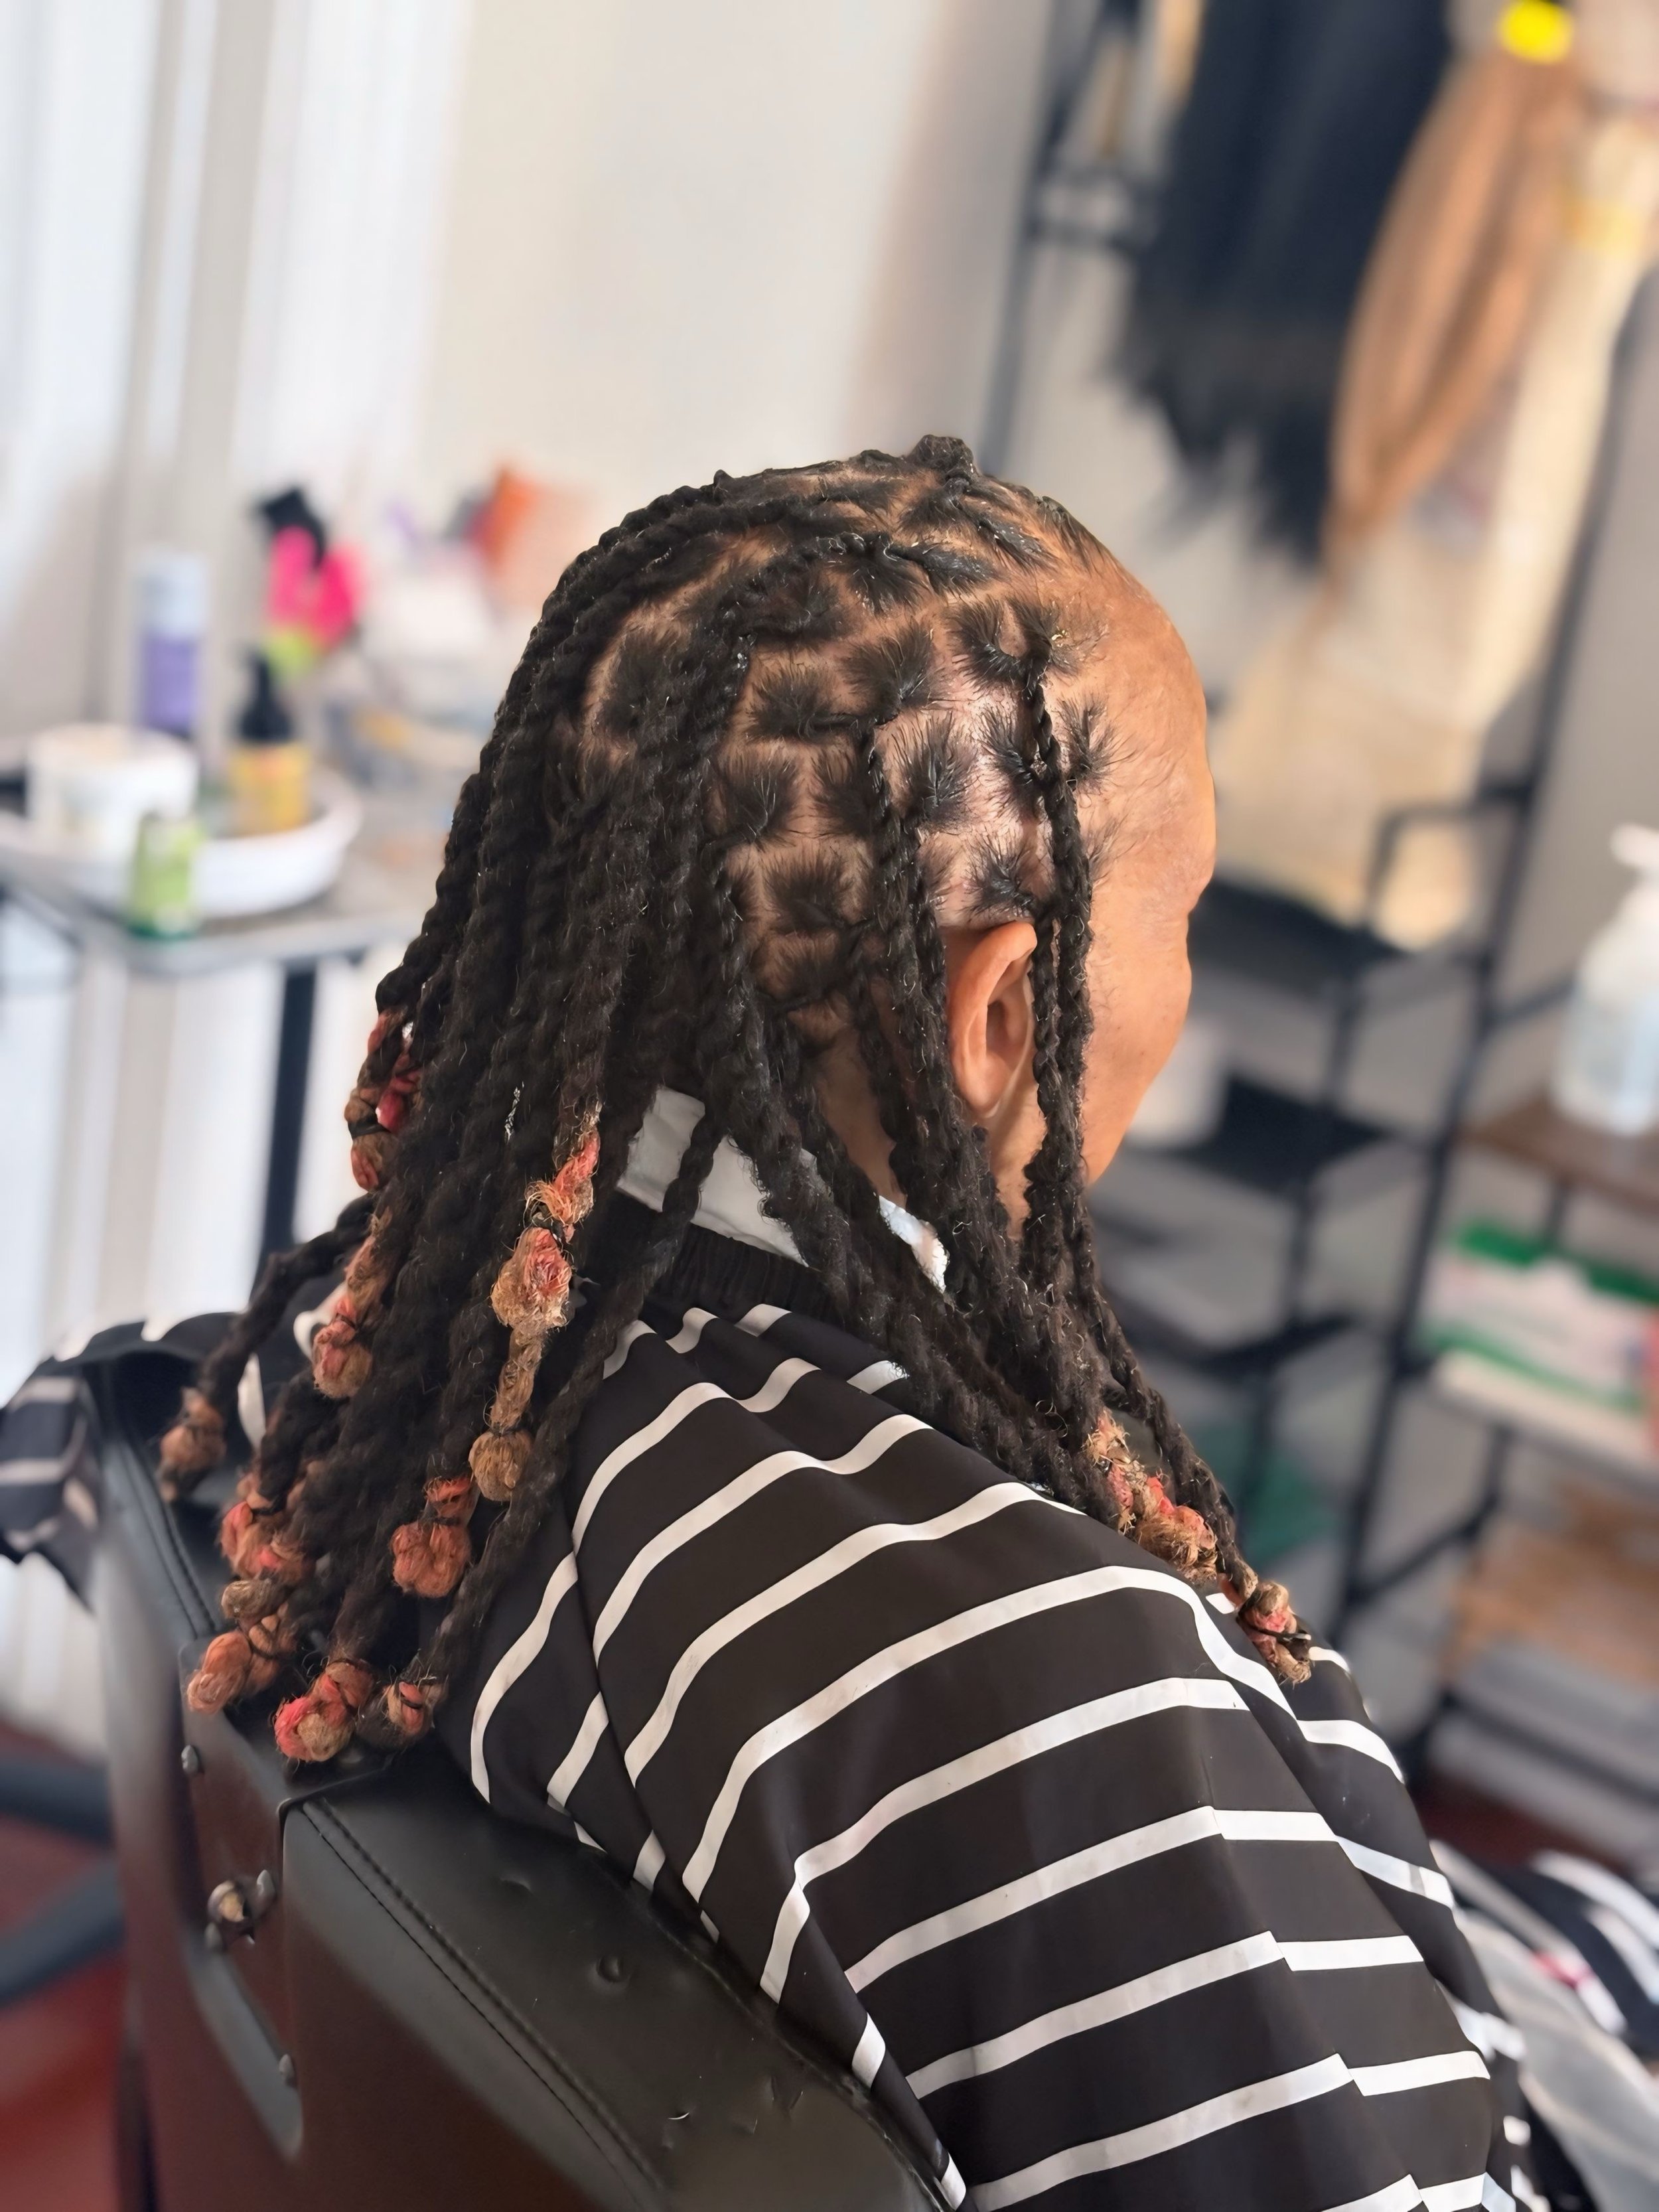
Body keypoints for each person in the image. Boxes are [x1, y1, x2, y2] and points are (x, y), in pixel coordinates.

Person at [40, 441, 1536, 2208]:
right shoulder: (1053, 1710)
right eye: (1183, 911)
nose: (1187, 968)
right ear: (1001, 1011)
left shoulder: (353, 1366)